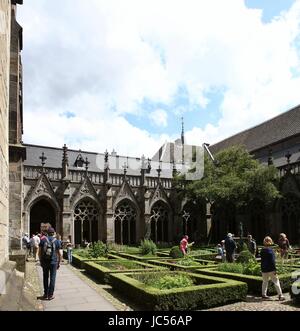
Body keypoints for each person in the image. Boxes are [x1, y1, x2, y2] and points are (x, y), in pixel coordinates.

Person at [39, 227, 62, 300]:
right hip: (53, 262)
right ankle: (50, 295)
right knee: (52, 278)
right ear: (54, 233)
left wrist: (40, 261)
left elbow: (39, 252)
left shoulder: (42, 240)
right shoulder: (57, 241)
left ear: (47, 233)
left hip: (45, 262)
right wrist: (59, 262)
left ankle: (45, 294)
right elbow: (60, 254)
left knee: (45, 277)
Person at [260, 236, 285, 301]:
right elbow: (272, 261)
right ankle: (280, 295)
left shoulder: (262, 251)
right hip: (271, 269)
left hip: (264, 269)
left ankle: (263, 294)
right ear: (270, 242)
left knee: (265, 282)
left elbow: (262, 260)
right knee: (276, 282)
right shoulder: (270, 251)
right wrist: (275, 270)